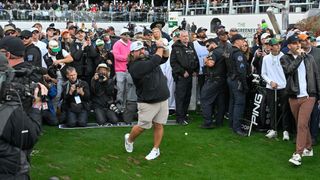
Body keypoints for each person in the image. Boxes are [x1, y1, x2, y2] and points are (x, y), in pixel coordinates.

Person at [0, 39, 46, 179]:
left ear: (7, 54)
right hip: (13, 150)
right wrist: (37, 105)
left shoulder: (30, 73)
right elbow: (30, 138)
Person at [124, 40, 170, 160]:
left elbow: (164, 57)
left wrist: (164, 47)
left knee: (159, 125)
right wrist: (159, 46)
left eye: (143, 49)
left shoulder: (148, 58)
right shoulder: (135, 66)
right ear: (132, 53)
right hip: (147, 102)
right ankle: (129, 140)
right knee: (142, 127)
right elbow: (155, 60)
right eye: (138, 50)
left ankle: (156, 149)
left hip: (162, 97)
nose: (142, 51)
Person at [281, 35, 320, 166]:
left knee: (302, 125)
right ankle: (308, 149)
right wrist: (299, 57)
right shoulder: (284, 58)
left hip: (309, 96)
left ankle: (298, 153)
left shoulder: (309, 58)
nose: (297, 45)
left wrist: (318, 95)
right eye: (294, 43)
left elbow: (316, 76)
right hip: (293, 97)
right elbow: (289, 70)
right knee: (301, 124)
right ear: (289, 46)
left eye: (298, 42)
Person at [261, 38, 290, 140]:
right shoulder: (266, 59)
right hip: (271, 87)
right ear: (270, 47)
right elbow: (263, 74)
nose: (278, 46)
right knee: (272, 109)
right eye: (275, 45)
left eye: (278, 44)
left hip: (283, 87)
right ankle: (273, 129)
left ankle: (286, 131)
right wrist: (270, 82)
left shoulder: (285, 57)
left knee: (285, 109)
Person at [170, 30, 199, 125]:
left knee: (187, 96)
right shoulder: (175, 48)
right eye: (183, 36)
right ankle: (179, 118)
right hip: (181, 76)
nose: (186, 37)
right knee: (180, 97)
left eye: (187, 36)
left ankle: (184, 114)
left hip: (190, 75)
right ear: (180, 37)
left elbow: (195, 58)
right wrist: (182, 72)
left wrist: (196, 70)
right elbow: (173, 63)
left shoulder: (191, 46)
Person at [200, 38, 227, 128]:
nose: (207, 48)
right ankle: (219, 122)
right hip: (222, 80)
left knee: (205, 98)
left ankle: (208, 122)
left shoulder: (214, 52)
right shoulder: (223, 51)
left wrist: (205, 61)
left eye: (208, 46)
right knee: (220, 101)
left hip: (214, 79)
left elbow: (211, 63)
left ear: (213, 44)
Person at [299, 33, 320, 145]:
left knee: (314, 115)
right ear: (300, 43)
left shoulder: (318, 52)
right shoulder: (297, 54)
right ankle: (302, 137)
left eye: (308, 39)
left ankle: (313, 137)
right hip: (300, 89)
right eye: (304, 40)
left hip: (314, 89)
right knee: (302, 116)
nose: (306, 41)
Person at [226, 34, 249, 136]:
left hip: (230, 78)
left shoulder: (228, 50)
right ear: (236, 41)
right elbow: (241, 71)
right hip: (237, 80)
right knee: (239, 104)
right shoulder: (238, 53)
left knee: (232, 101)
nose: (243, 42)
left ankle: (231, 123)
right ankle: (237, 127)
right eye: (241, 40)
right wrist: (245, 85)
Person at [112, 28, 132, 112]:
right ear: (121, 35)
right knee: (120, 90)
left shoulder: (131, 43)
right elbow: (117, 56)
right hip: (120, 70)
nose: (127, 35)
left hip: (129, 69)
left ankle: (125, 108)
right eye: (125, 34)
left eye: (127, 34)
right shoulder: (117, 44)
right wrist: (128, 58)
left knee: (128, 90)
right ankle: (119, 108)